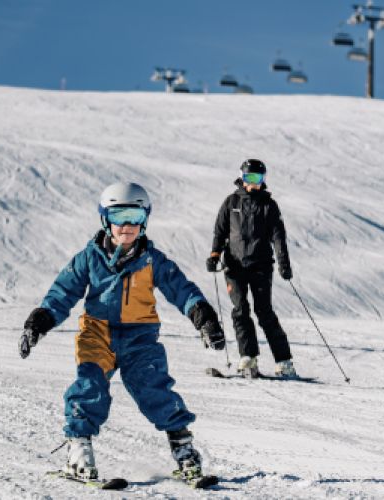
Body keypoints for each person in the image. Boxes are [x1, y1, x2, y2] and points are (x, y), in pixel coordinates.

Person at [19, 182, 225, 482]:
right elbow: (62, 293)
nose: (126, 226)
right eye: (119, 216)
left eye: (135, 216)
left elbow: (182, 290)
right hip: (97, 333)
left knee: (154, 388)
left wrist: (203, 317)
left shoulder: (153, 260)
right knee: (89, 386)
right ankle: (79, 451)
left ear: (145, 220)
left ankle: (184, 451)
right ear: (105, 219)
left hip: (140, 337)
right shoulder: (89, 258)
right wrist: (39, 322)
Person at [206, 159, 296, 379]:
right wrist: (214, 255)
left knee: (264, 312)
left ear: (263, 180)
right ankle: (248, 356)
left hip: (261, 266)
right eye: (249, 178)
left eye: (258, 179)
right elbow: (220, 231)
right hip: (234, 265)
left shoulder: (268, 205)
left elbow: (278, 237)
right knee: (240, 310)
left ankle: (284, 361)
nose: (253, 183)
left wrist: (284, 263)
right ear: (242, 178)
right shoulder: (231, 202)